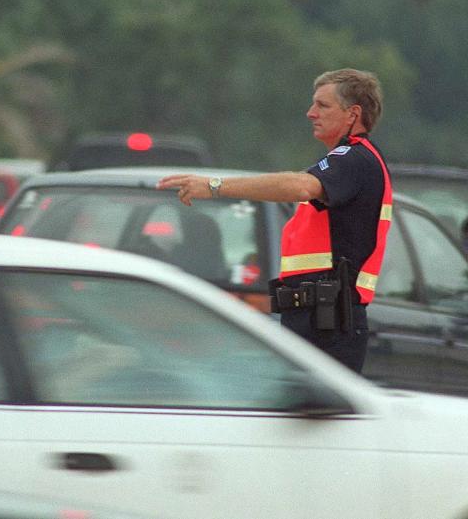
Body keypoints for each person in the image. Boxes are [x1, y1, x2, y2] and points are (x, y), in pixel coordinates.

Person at [157, 68, 392, 373]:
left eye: (323, 105)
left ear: (352, 114)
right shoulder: (345, 161)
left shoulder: (354, 159)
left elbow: (299, 186)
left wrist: (215, 186)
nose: (311, 113)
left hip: (329, 321)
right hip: (316, 318)